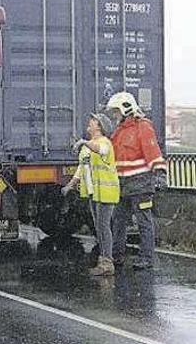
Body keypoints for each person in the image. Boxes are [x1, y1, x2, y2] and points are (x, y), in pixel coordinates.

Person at [106, 92, 167, 270]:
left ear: (126, 108)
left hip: (141, 184)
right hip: (123, 184)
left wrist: (160, 174)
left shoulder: (143, 127)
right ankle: (117, 255)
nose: (114, 115)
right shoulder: (118, 131)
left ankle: (147, 258)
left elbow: (153, 152)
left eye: (116, 111)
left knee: (143, 221)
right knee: (118, 220)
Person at [62, 113, 120, 276]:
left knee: (103, 227)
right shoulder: (89, 145)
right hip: (94, 192)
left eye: (93, 121)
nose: (90, 122)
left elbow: (101, 150)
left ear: (99, 127)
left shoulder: (104, 143)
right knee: (99, 227)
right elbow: (82, 167)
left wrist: (85, 143)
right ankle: (103, 261)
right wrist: (71, 184)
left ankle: (107, 262)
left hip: (107, 191)